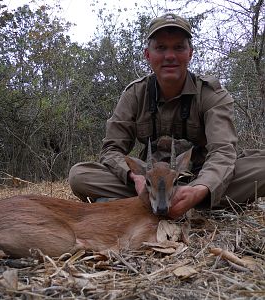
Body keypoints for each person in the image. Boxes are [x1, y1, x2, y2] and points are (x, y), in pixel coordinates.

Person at [69, 13, 265, 219]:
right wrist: (135, 177)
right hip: (150, 183)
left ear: (190, 53)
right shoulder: (135, 94)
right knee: (80, 176)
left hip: (199, 175)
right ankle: (197, 205)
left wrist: (200, 188)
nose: (169, 56)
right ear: (147, 55)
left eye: (178, 47)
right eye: (161, 48)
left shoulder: (212, 94)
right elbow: (111, 150)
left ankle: (192, 200)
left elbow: (223, 152)